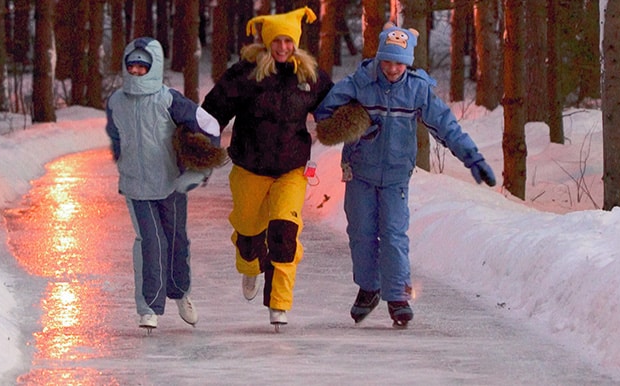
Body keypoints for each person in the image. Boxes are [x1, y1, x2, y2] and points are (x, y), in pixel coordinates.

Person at [313, 24, 497, 328]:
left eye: (399, 63)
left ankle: (397, 296)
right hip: (360, 171)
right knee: (361, 233)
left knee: (394, 235)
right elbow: (324, 114)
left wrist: (472, 157)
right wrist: (356, 124)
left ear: (408, 63)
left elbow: (446, 126)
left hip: (397, 175)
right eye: (387, 61)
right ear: (379, 59)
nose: (393, 68)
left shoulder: (417, 89)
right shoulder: (360, 83)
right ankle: (369, 288)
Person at [201, 6, 333, 329]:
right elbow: (214, 109)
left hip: (291, 169)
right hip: (249, 167)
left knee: (285, 234)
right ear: (267, 42)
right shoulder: (246, 73)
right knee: (248, 236)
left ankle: (279, 303)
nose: (283, 47)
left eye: (289, 42)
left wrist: (355, 122)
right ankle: (249, 265)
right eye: (278, 41)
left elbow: (336, 107)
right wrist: (199, 140)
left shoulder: (310, 77)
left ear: (297, 43)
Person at [106, 37, 223, 331]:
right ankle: (149, 307)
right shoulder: (116, 101)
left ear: (154, 67)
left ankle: (180, 293)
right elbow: (115, 134)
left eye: (142, 67)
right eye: (131, 66)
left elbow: (208, 125)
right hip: (136, 188)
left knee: (176, 242)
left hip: (170, 184)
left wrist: (199, 165)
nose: (135, 72)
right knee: (151, 242)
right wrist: (122, 159)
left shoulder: (168, 99)